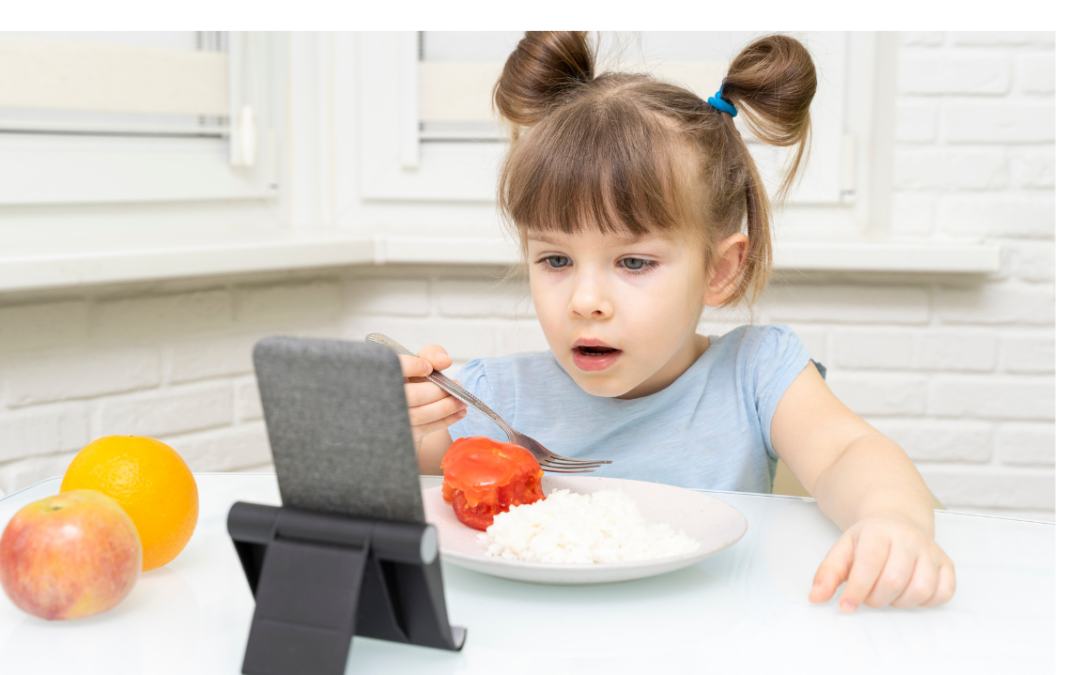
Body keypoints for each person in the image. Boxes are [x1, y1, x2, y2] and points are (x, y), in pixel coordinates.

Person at [397, 32, 955, 613]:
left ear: (719, 270)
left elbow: (849, 454)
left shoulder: (755, 374)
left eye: (634, 262)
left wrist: (890, 520)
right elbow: (413, 484)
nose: (585, 300)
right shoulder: (491, 400)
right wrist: (395, 421)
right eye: (555, 259)